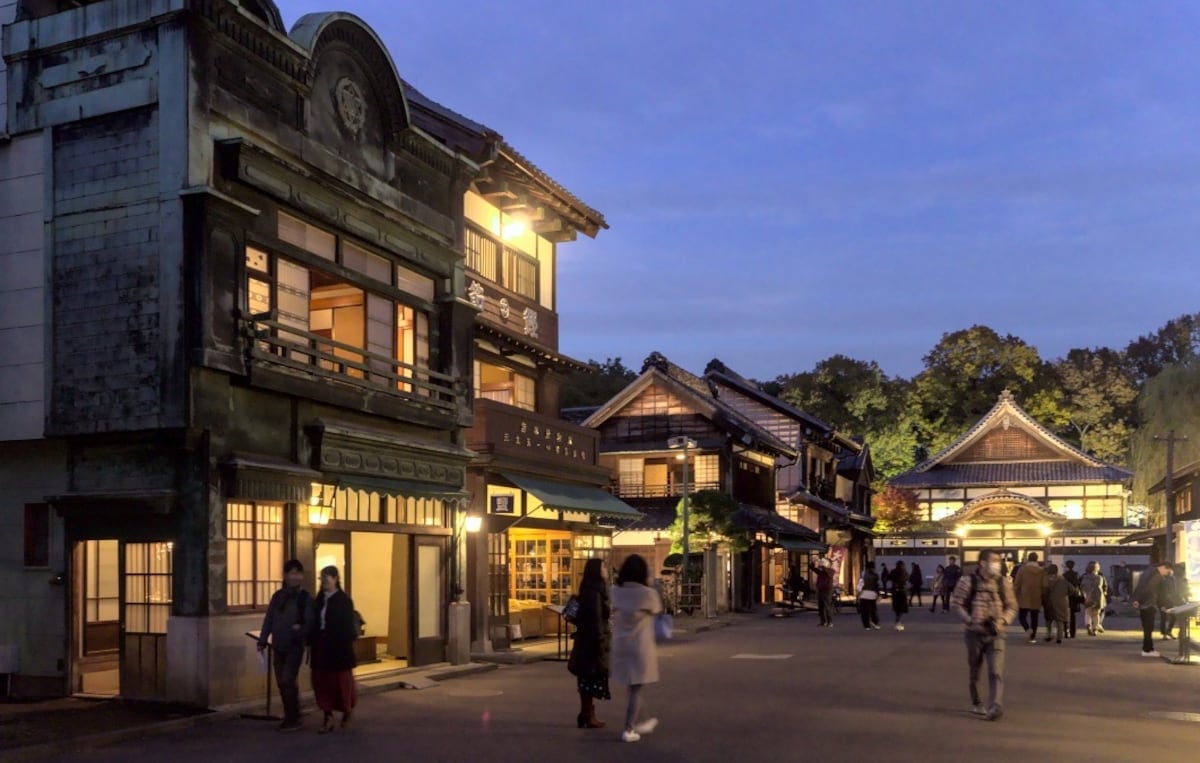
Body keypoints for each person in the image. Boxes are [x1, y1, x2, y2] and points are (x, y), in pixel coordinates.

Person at [950, 549, 1017, 722]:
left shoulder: (1003, 583)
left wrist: (1003, 621)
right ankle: (977, 701)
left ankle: (995, 705)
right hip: (974, 633)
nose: (998, 564)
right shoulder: (967, 581)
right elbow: (957, 604)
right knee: (975, 669)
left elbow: (1012, 606)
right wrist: (970, 620)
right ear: (982, 563)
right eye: (994, 560)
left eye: (998, 561)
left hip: (997, 633)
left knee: (996, 671)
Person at [610, 554, 663, 743]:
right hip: (640, 645)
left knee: (633, 687)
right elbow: (657, 610)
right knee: (636, 688)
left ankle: (643, 720)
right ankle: (629, 728)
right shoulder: (648, 594)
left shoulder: (615, 591)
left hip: (620, 644)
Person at [256, 559, 311, 732]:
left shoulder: (305, 598)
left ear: (302, 576)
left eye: (298, 573)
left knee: (287, 679)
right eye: (291, 573)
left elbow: (310, 622)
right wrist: (262, 640)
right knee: (282, 682)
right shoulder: (278, 596)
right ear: (285, 576)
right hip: (278, 645)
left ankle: (293, 718)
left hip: (295, 645)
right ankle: (292, 715)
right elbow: (269, 619)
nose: (294, 577)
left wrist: (300, 630)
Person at [309, 565, 358, 733]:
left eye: (327, 577)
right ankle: (327, 716)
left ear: (336, 579)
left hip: (338, 649)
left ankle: (346, 710)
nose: (324, 581)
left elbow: (347, 628)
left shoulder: (343, 600)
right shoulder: (319, 599)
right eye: (322, 578)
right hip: (320, 647)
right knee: (321, 682)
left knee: (340, 683)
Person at [569, 558, 612, 728]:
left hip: (586, 641)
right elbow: (595, 620)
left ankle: (586, 713)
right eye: (603, 567)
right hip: (591, 642)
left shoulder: (589, 590)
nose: (606, 570)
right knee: (590, 678)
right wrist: (600, 642)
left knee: (587, 679)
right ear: (597, 571)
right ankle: (587, 714)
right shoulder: (594, 593)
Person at [1131, 561, 1174, 658]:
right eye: (1167, 572)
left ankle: (1147, 649)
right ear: (1163, 567)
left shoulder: (1147, 572)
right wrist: (1162, 605)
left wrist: (1136, 599)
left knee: (1147, 628)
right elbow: (1151, 591)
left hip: (1143, 603)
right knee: (1148, 628)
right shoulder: (1156, 576)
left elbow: (1140, 587)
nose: (1166, 574)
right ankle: (1147, 649)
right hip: (1149, 604)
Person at [1013, 552, 1045, 644]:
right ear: (1037, 559)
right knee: (1034, 617)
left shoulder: (1022, 569)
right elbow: (1044, 585)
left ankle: (1028, 629)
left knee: (1022, 616)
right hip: (1036, 596)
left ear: (1028, 558)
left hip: (1024, 595)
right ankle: (1033, 637)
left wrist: (1016, 595)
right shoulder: (1041, 571)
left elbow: (1017, 584)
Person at [1041, 564, 1069, 644]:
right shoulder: (1062, 579)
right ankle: (1059, 637)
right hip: (1060, 601)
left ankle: (1049, 634)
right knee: (1059, 620)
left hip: (1048, 601)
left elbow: (1043, 590)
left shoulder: (1046, 579)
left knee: (1049, 620)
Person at [1079, 561, 1109, 636]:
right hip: (1098, 598)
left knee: (1088, 613)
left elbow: (1081, 587)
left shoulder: (1084, 577)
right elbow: (1103, 588)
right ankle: (1095, 629)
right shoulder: (1100, 578)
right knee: (1096, 614)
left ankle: (1088, 625)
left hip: (1088, 597)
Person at [1158, 565, 1181, 640]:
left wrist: (1176, 600)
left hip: (1171, 601)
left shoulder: (1172, 579)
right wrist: (1161, 604)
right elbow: (1159, 592)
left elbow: (1175, 591)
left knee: (1173, 617)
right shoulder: (1161, 579)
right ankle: (1164, 634)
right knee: (1164, 617)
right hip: (1163, 600)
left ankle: (1168, 631)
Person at [1062, 560, 1083, 639]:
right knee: (1073, 615)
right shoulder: (1076, 574)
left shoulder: (1064, 575)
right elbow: (1079, 584)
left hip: (1066, 595)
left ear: (1066, 566)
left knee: (1065, 614)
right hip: (1074, 596)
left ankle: (1066, 631)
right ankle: (1073, 632)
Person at [857, 562, 881, 630]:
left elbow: (860, 584)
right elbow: (877, 586)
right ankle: (876, 622)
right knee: (873, 610)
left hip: (864, 594)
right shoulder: (876, 575)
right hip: (873, 594)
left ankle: (867, 626)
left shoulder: (863, 574)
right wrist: (878, 594)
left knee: (864, 611)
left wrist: (858, 592)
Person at [814, 558, 835, 628]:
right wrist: (814, 561)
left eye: (825, 562)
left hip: (827, 590)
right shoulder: (821, 571)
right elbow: (812, 568)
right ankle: (823, 621)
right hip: (820, 589)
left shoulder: (831, 571)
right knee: (820, 606)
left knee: (827, 606)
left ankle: (830, 622)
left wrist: (823, 565)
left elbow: (827, 571)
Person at [890, 561, 909, 631]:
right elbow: (907, 579)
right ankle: (898, 620)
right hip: (902, 591)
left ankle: (898, 620)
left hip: (895, 591)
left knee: (896, 607)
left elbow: (889, 578)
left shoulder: (893, 571)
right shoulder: (904, 572)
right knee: (902, 607)